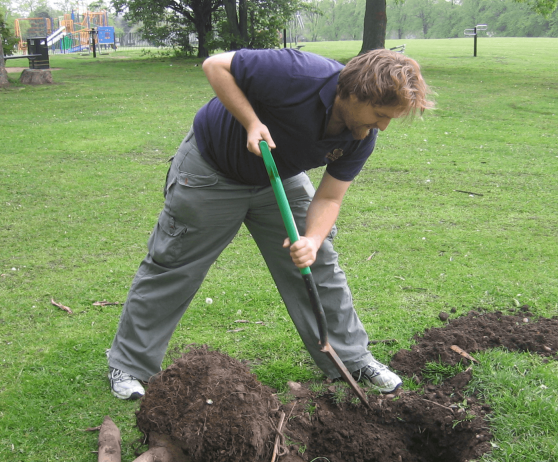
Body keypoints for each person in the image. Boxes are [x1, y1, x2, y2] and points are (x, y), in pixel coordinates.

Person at [107, 47, 432, 400]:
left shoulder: (362, 136)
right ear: (352, 93)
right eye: (380, 114)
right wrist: (251, 122)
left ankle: (352, 360)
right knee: (175, 264)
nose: (382, 127)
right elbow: (215, 65)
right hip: (212, 169)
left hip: (279, 175)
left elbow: (329, 198)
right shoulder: (297, 74)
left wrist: (310, 238)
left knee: (317, 260)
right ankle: (129, 364)